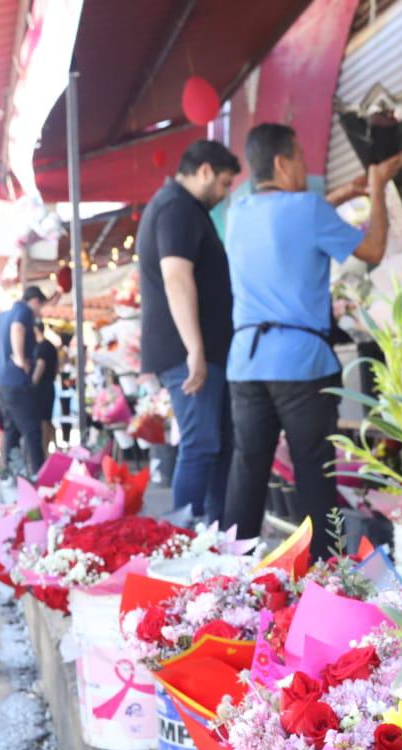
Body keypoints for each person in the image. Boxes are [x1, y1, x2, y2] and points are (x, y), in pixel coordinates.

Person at [222, 124, 402, 557]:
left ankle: (229, 577)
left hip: (246, 364)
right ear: (283, 163)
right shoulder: (309, 211)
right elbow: (374, 250)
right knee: (314, 475)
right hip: (300, 365)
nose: (307, 167)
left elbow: (290, 221)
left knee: (247, 471)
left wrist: (339, 196)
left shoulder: (237, 213)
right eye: (301, 158)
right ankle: (327, 575)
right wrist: (376, 188)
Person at [138, 140, 241, 523]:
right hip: (190, 353)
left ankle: (215, 538)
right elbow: (176, 278)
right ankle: (182, 540)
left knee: (218, 446)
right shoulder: (176, 208)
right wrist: (194, 349)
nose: (225, 194)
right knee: (200, 445)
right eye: (225, 183)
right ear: (205, 171)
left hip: (206, 351)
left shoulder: (186, 209)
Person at [0, 286, 52, 478]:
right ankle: (40, 479)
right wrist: (19, 359)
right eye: (40, 307)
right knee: (32, 431)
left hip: (0, 381)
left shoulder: (2, 315)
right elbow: (17, 328)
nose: (39, 312)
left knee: (11, 429)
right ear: (35, 301)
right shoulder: (23, 310)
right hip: (15, 380)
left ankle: (8, 474)